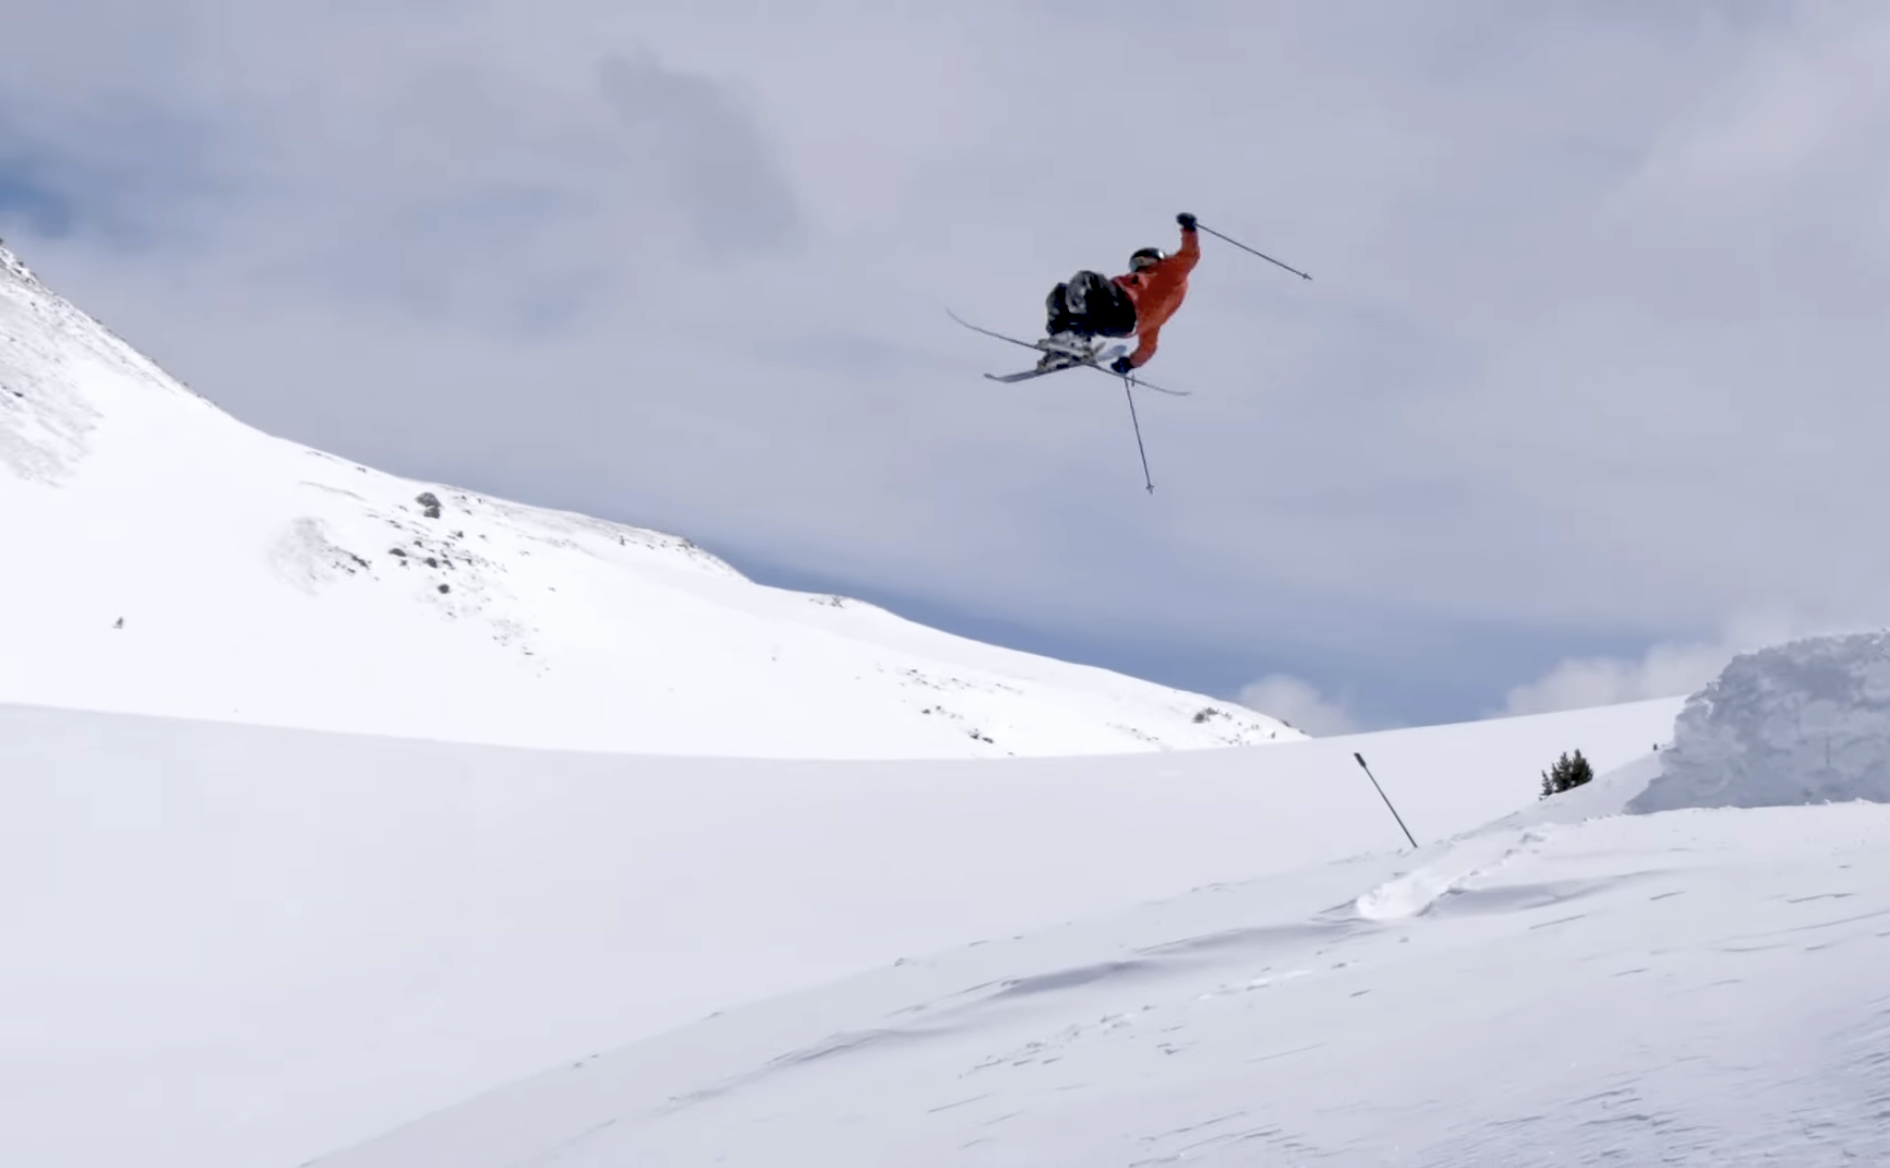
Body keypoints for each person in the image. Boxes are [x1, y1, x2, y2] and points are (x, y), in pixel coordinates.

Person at [1041, 212, 1200, 373]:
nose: (1137, 267)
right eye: (1133, 265)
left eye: (1141, 261)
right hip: (1117, 326)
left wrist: (1189, 230)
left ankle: (1073, 340)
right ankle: (1063, 344)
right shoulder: (1154, 321)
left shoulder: (1169, 272)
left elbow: (1189, 256)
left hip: (1124, 308)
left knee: (1087, 280)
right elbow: (1148, 348)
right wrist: (1130, 363)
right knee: (1061, 293)